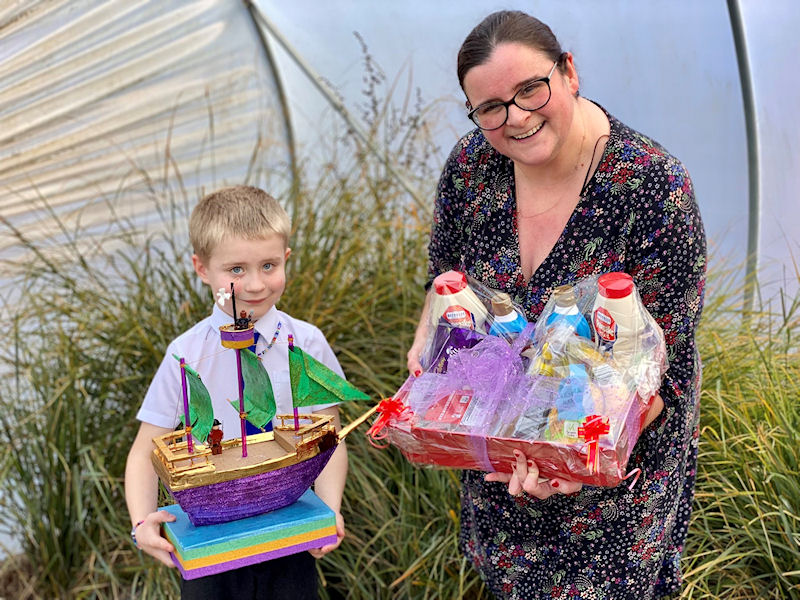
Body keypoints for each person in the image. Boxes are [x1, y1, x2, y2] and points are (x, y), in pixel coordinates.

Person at [406, 11, 706, 600]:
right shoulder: (471, 169)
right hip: (501, 472)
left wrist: (569, 460)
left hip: (611, 498)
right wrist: (428, 337)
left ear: (569, 71)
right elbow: (444, 278)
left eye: (530, 89)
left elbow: (662, 363)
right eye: (490, 106)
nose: (514, 117)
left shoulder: (651, 188)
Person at [125, 185, 348, 599]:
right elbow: (144, 452)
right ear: (202, 268)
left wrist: (329, 508)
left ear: (286, 258)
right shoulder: (186, 354)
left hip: (290, 532)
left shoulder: (306, 342)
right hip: (212, 543)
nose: (256, 284)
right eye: (236, 270)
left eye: (268, 265)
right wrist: (142, 522)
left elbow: (329, 440)